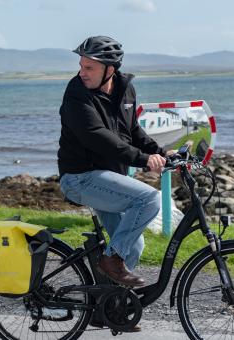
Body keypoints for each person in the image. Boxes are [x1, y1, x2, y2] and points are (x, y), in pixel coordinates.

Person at [58, 36, 167, 287]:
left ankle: (107, 306)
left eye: (89, 68)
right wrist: (143, 159)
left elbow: (132, 130)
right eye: (81, 66)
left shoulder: (125, 88)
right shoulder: (76, 94)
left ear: (110, 68)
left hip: (108, 178)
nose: (81, 73)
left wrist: (160, 151)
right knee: (149, 199)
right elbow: (98, 137)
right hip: (80, 178)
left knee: (134, 244)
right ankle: (111, 260)